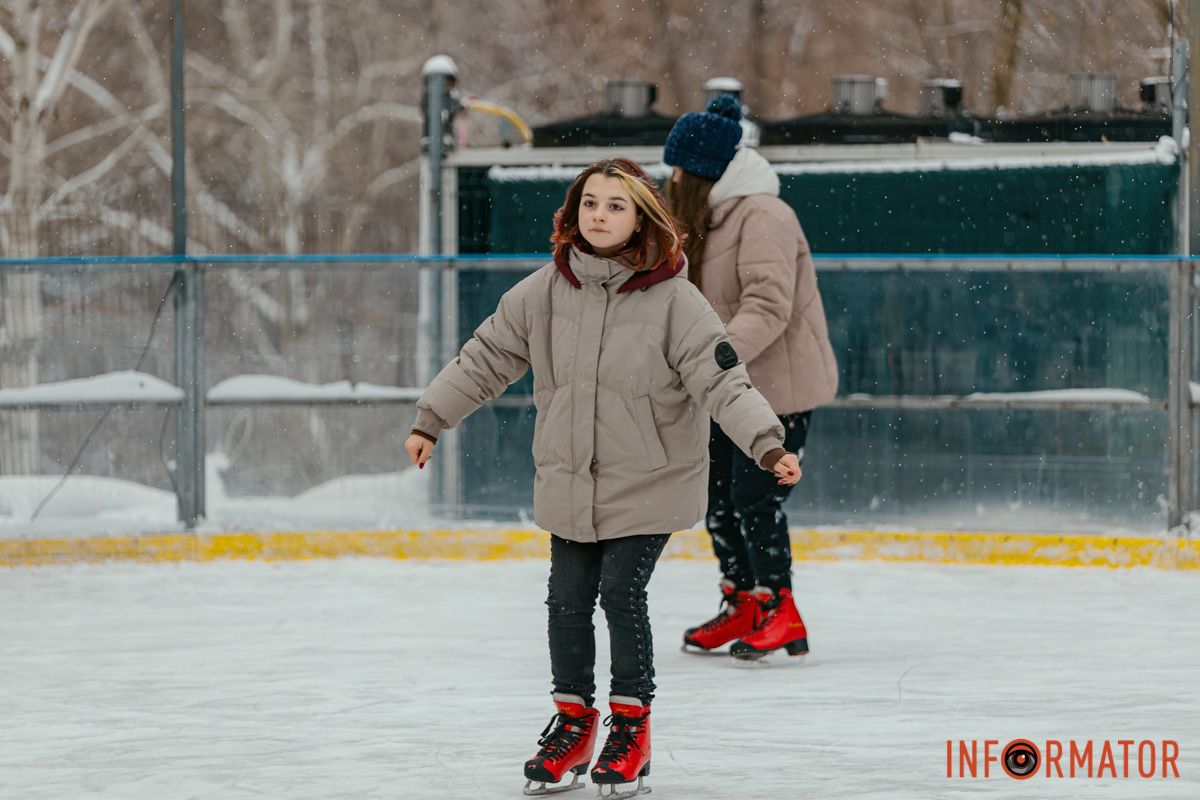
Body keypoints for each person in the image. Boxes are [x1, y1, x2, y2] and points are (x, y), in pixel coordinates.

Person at [404, 157, 802, 796]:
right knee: (565, 599)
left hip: (650, 478)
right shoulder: (543, 290)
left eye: (616, 205)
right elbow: (485, 357)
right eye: (590, 203)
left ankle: (631, 727)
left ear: (642, 215)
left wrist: (764, 443)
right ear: (573, 211)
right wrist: (432, 419)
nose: (600, 215)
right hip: (568, 480)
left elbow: (723, 379)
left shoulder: (676, 299)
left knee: (620, 592)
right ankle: (573, 722)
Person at [664, 95, 839, 661]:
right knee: (716, 497)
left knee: (754, 499)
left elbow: (767, 306)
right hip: (727, 387)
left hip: (777, 388)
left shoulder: (763, 215)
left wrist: (706, 361)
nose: (671, 180)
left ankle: (780, 607)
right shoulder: (713, 216)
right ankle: (743, 600)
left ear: (704, 172)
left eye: (679, 170)